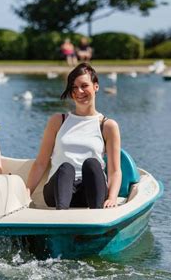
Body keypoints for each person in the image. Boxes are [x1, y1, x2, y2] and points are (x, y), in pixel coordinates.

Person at [26, 63, 122, 209]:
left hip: (91, 191)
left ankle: (97, 220)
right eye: (74, 87)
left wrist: (112, 197)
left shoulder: (108, 126)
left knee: (92, 164)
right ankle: (62, 218)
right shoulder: (58, 121)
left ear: (96, 86)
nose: (79, 91)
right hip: (58, 191)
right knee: (66, 168)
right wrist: (26, 194)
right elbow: (41, 162)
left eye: (84, 86)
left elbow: (115, 170)